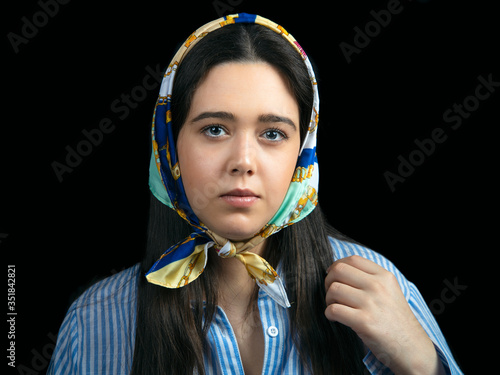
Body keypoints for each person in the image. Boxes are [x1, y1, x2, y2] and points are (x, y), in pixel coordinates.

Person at [48, 13, 462, 375]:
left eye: (272, 134)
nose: (243, 161)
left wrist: (423, 362)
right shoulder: (94, 321)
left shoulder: (383, 290)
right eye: (215, 129)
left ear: (303, 154)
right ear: (168, 148)